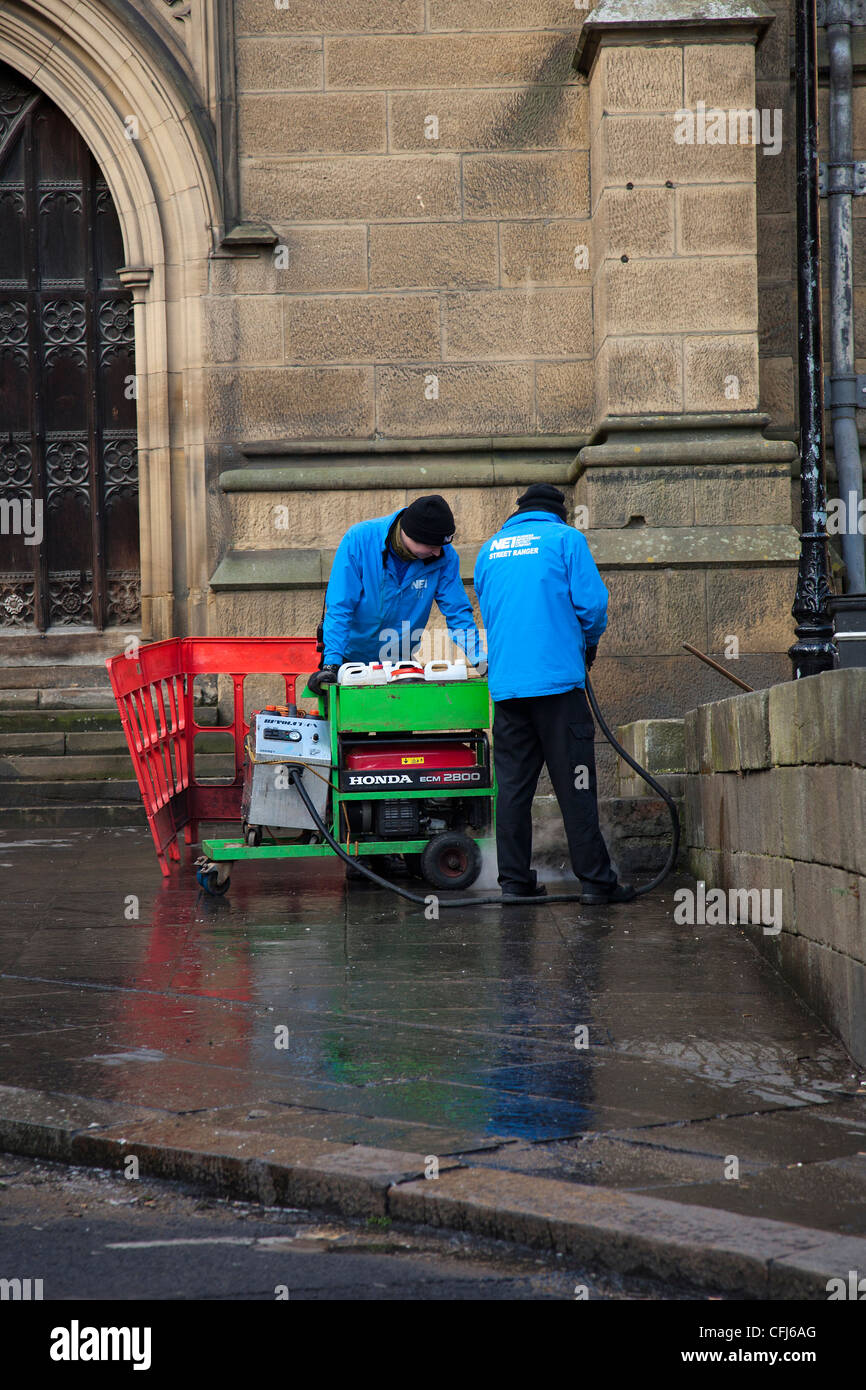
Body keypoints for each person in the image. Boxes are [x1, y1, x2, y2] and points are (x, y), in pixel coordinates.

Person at [473, 483, 635, 906]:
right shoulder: (566, 539)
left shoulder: (490, 550)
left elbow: (491, 610)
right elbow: (592, 606)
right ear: (557, 513)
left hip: (508, 692)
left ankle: (513, 882)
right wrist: (590, 642)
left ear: (519, 512)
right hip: (558, 689)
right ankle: (596, 883)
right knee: (575, 786)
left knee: (511, 790)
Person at [308, 494, 486, 693]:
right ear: (411, 535)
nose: (438, 553)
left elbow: (458, 613)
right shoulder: (360, 540)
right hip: (349, 661)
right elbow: (340, 607)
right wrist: (331, 664)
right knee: (351, 722)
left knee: (399, 721)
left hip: (398, 664)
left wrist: (480, 661)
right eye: (432, 546)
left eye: (442, 546)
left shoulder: (444, 556)